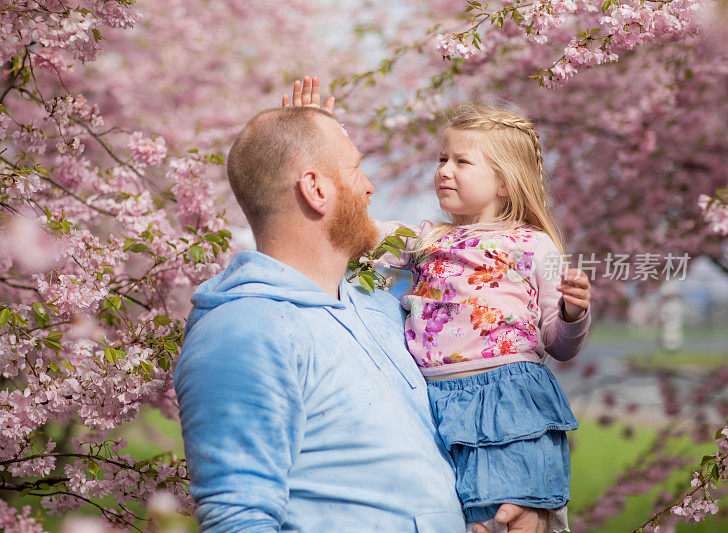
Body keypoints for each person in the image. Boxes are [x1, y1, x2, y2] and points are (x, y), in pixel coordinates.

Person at [175, 88, 559, 531]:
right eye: (356, 169)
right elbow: (239, 520)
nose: (371, 187)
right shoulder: (242, 333)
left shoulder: (379, 311)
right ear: (316, 189)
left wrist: (520, 502)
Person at [368, 103, 593, 532]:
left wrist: (572, 313)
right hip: (434, 401)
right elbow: (360, 231)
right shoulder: (426, 239)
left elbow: (558, 345)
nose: (444, 171)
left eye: (461, 161)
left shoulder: (532, 245)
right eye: (442, 159)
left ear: (505, 184)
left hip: (508, 402)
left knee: (504, 519)